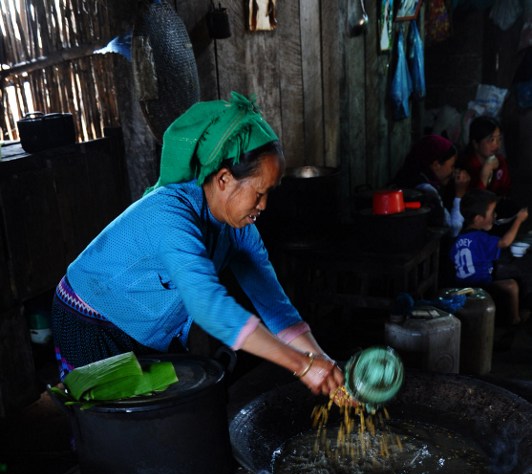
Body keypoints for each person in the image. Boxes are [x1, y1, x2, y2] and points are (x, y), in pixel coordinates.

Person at [51, 92, 344, 397]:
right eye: (259, 193)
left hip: (144, 327)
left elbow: (276, 308)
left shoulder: (239, 229)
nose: (264, 205)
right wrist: (302, 366)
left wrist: (323, 362)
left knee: (158, 420)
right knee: (114, 429)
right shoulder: (170, 215)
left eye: (270, 193)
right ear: (224, 179)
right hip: (89, 320)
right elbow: (208, 305)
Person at [449, 189, 530, 326]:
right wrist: (518, 220)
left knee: (504, 269)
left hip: (461, 285)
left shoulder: (458, 239)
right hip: (479, 287)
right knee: (512, 285)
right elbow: (504, 242)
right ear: (478, 219)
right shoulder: (480, 238)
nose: (495, 216)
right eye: (492, 213)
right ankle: (515, 321)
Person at [394, 134, 470, 237]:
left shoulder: (408, 176)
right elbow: (453, 230)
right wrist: (459, 196)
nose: (453, 172)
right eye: (451, 166)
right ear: (436, 165)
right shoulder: (427, 190)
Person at [461, 116, 511, 196]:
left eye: (499, 139)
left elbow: (505, 191)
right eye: (491, 140)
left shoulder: (501, 161)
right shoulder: (466, 168)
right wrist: (485, 173)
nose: (496, 145)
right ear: (476, 144)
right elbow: (472, 203)